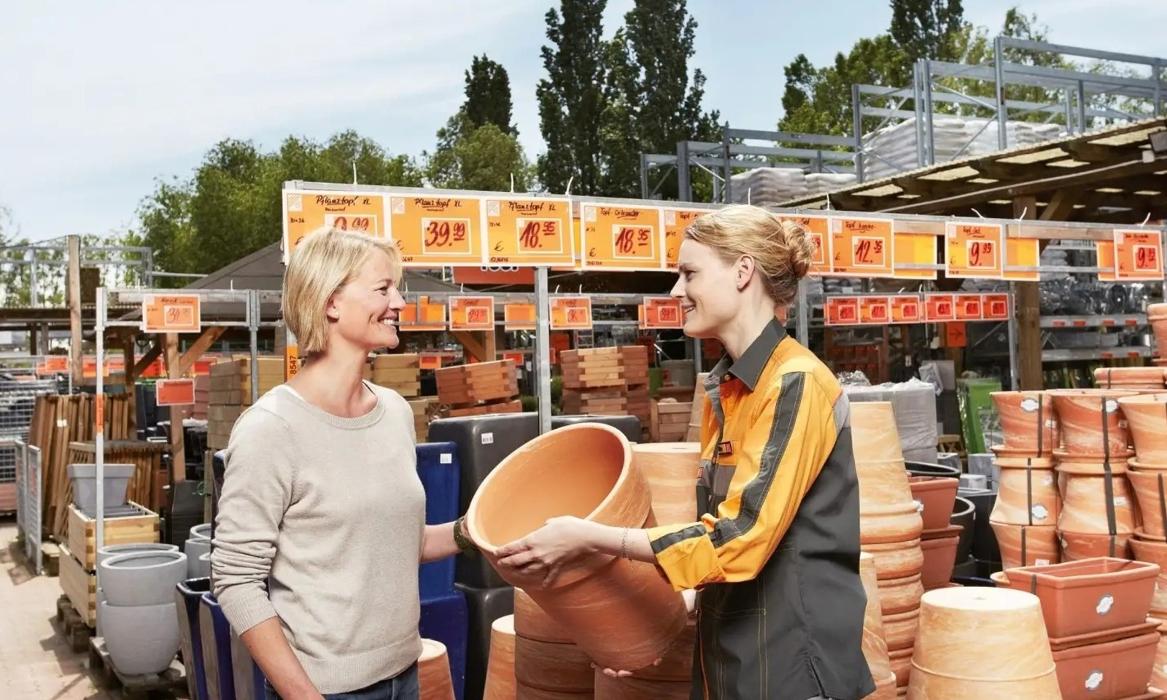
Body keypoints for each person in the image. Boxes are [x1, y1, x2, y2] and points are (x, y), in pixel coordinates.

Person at [495, 205, 874, 700]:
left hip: (790, 667)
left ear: (743, 272)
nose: (676, 290)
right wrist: (656, 619)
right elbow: (725, 536)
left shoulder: (794, 384)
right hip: (733, 658)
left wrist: (588, 536)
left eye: (689, 272)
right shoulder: (729, 388)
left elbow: (740, 538)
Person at [211, 227, 477, 700]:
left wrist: (472, 530)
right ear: (331, 302)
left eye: (397, 289)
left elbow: (393, 543)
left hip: (405, 675)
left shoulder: (393, 412)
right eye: (383, 288)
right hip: (326, 690)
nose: (399, 302)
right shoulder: (272, 428)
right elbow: (235, 580)